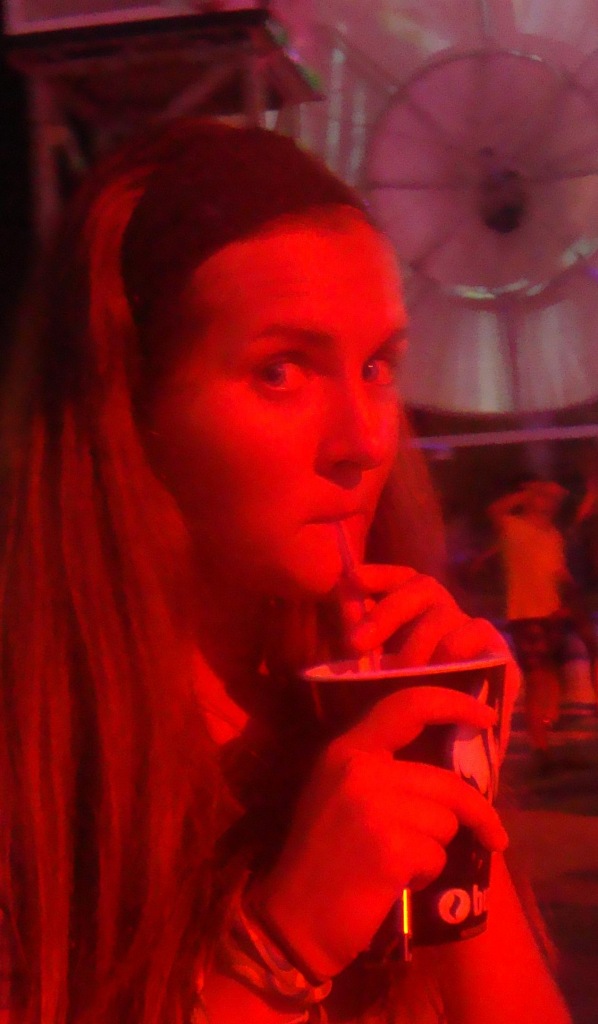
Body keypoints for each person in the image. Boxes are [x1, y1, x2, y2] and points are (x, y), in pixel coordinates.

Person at [0, 118, 571, 1024]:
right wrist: (284, 946)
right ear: (134, 406)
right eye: (283, 371)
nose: (367, 441)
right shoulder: (34, 766)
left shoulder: (342, 713)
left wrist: (451, 784)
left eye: (376, 365)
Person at [487, 477, 596, 770]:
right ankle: (541, 750)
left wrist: (570, 601)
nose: (550, 501)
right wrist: (528, 493)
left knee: (552, 680)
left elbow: (558, 574)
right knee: (537, 681)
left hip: (552, 615)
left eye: (552, 497)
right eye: (544, 495)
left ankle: (549, 744)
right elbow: (495, 511)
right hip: (526, 615)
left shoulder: (552, 535)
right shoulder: (513, 527)